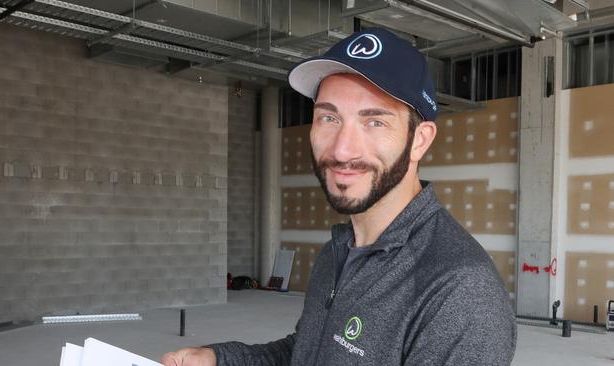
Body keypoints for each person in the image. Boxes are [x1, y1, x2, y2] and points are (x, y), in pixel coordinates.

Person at [161, 27, 516, 366]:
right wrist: (220, 359)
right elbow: (308, 353)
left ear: (419, 139)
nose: (343, 150)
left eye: (374, 121)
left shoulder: (460, 292)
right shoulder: (339, 251)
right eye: (329, 117)